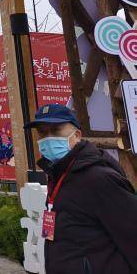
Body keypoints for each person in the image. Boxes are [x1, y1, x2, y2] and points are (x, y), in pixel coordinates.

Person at [25, 103, 137, 274]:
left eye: (56, 130)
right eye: (42, 132)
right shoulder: (59, 174)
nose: (48, 138)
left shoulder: (99, 179)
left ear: (77, 135)